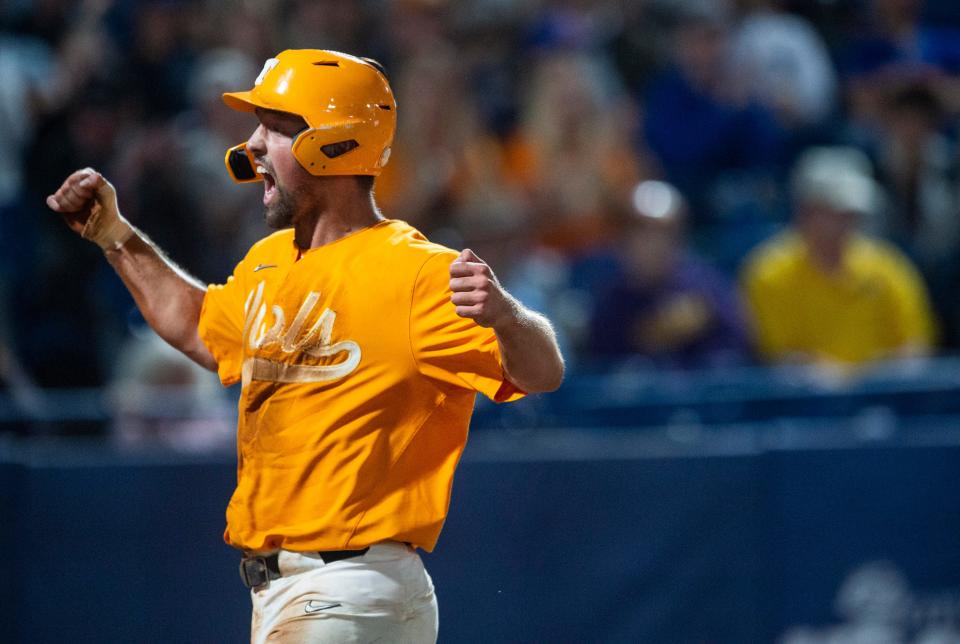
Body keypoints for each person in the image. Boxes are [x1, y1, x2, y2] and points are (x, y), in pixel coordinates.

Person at [45, 49, 564, 643]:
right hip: (289, 594)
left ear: (336, 144)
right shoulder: (270, 262)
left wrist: (506, 315)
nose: (253, 146)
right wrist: (115, 237)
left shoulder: (416, 273)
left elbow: (543, 371)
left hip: (350, 587)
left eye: (277, 127)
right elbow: (200, 329)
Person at [741, 146, 936, 377]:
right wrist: (837, 380)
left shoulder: (887, 266)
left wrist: (873, 378)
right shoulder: (769, 272)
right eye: (836, 213)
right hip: (805, 405)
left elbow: (916, 344)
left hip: (885, 403)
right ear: (806, 212)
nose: (848, 224)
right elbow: (779, 356)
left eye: (853, 215)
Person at [588, 180, 751, 370]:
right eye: (641, 233)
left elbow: (734, 354)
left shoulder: (708, 287)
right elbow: (604, 369)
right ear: (621, 241)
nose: (654, 245)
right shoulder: (610, 301)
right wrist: (649, 337)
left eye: (664, 233)